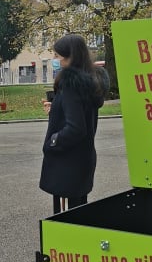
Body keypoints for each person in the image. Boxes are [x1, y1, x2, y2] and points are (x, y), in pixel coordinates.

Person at [39, 34, 108, 214]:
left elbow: (76, 128)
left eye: (58, 56)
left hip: (67, 162)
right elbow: (80, 113)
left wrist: (53, 141)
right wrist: (55, 109)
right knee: (78, 215)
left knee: (65, 220)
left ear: (70, 56)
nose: (57, 60)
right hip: (82, 159)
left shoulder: (71, 84)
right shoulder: (89, 82)